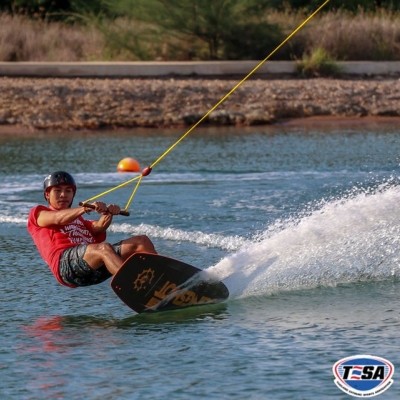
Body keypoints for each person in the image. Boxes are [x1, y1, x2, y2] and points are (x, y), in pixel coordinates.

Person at [27, 171, 157, 288]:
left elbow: (98, 228)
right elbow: (58, 219)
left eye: (68, 191)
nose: (63, 194)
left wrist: (109, 213)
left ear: (73, 195)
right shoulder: (39, 214)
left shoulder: (81, 221)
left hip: (92, 266)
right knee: (103, 248)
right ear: (47, 195)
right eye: (57, 190)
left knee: (141, 241)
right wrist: (85, 208)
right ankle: (136, 287)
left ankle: (162, 280)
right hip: (65, 266)